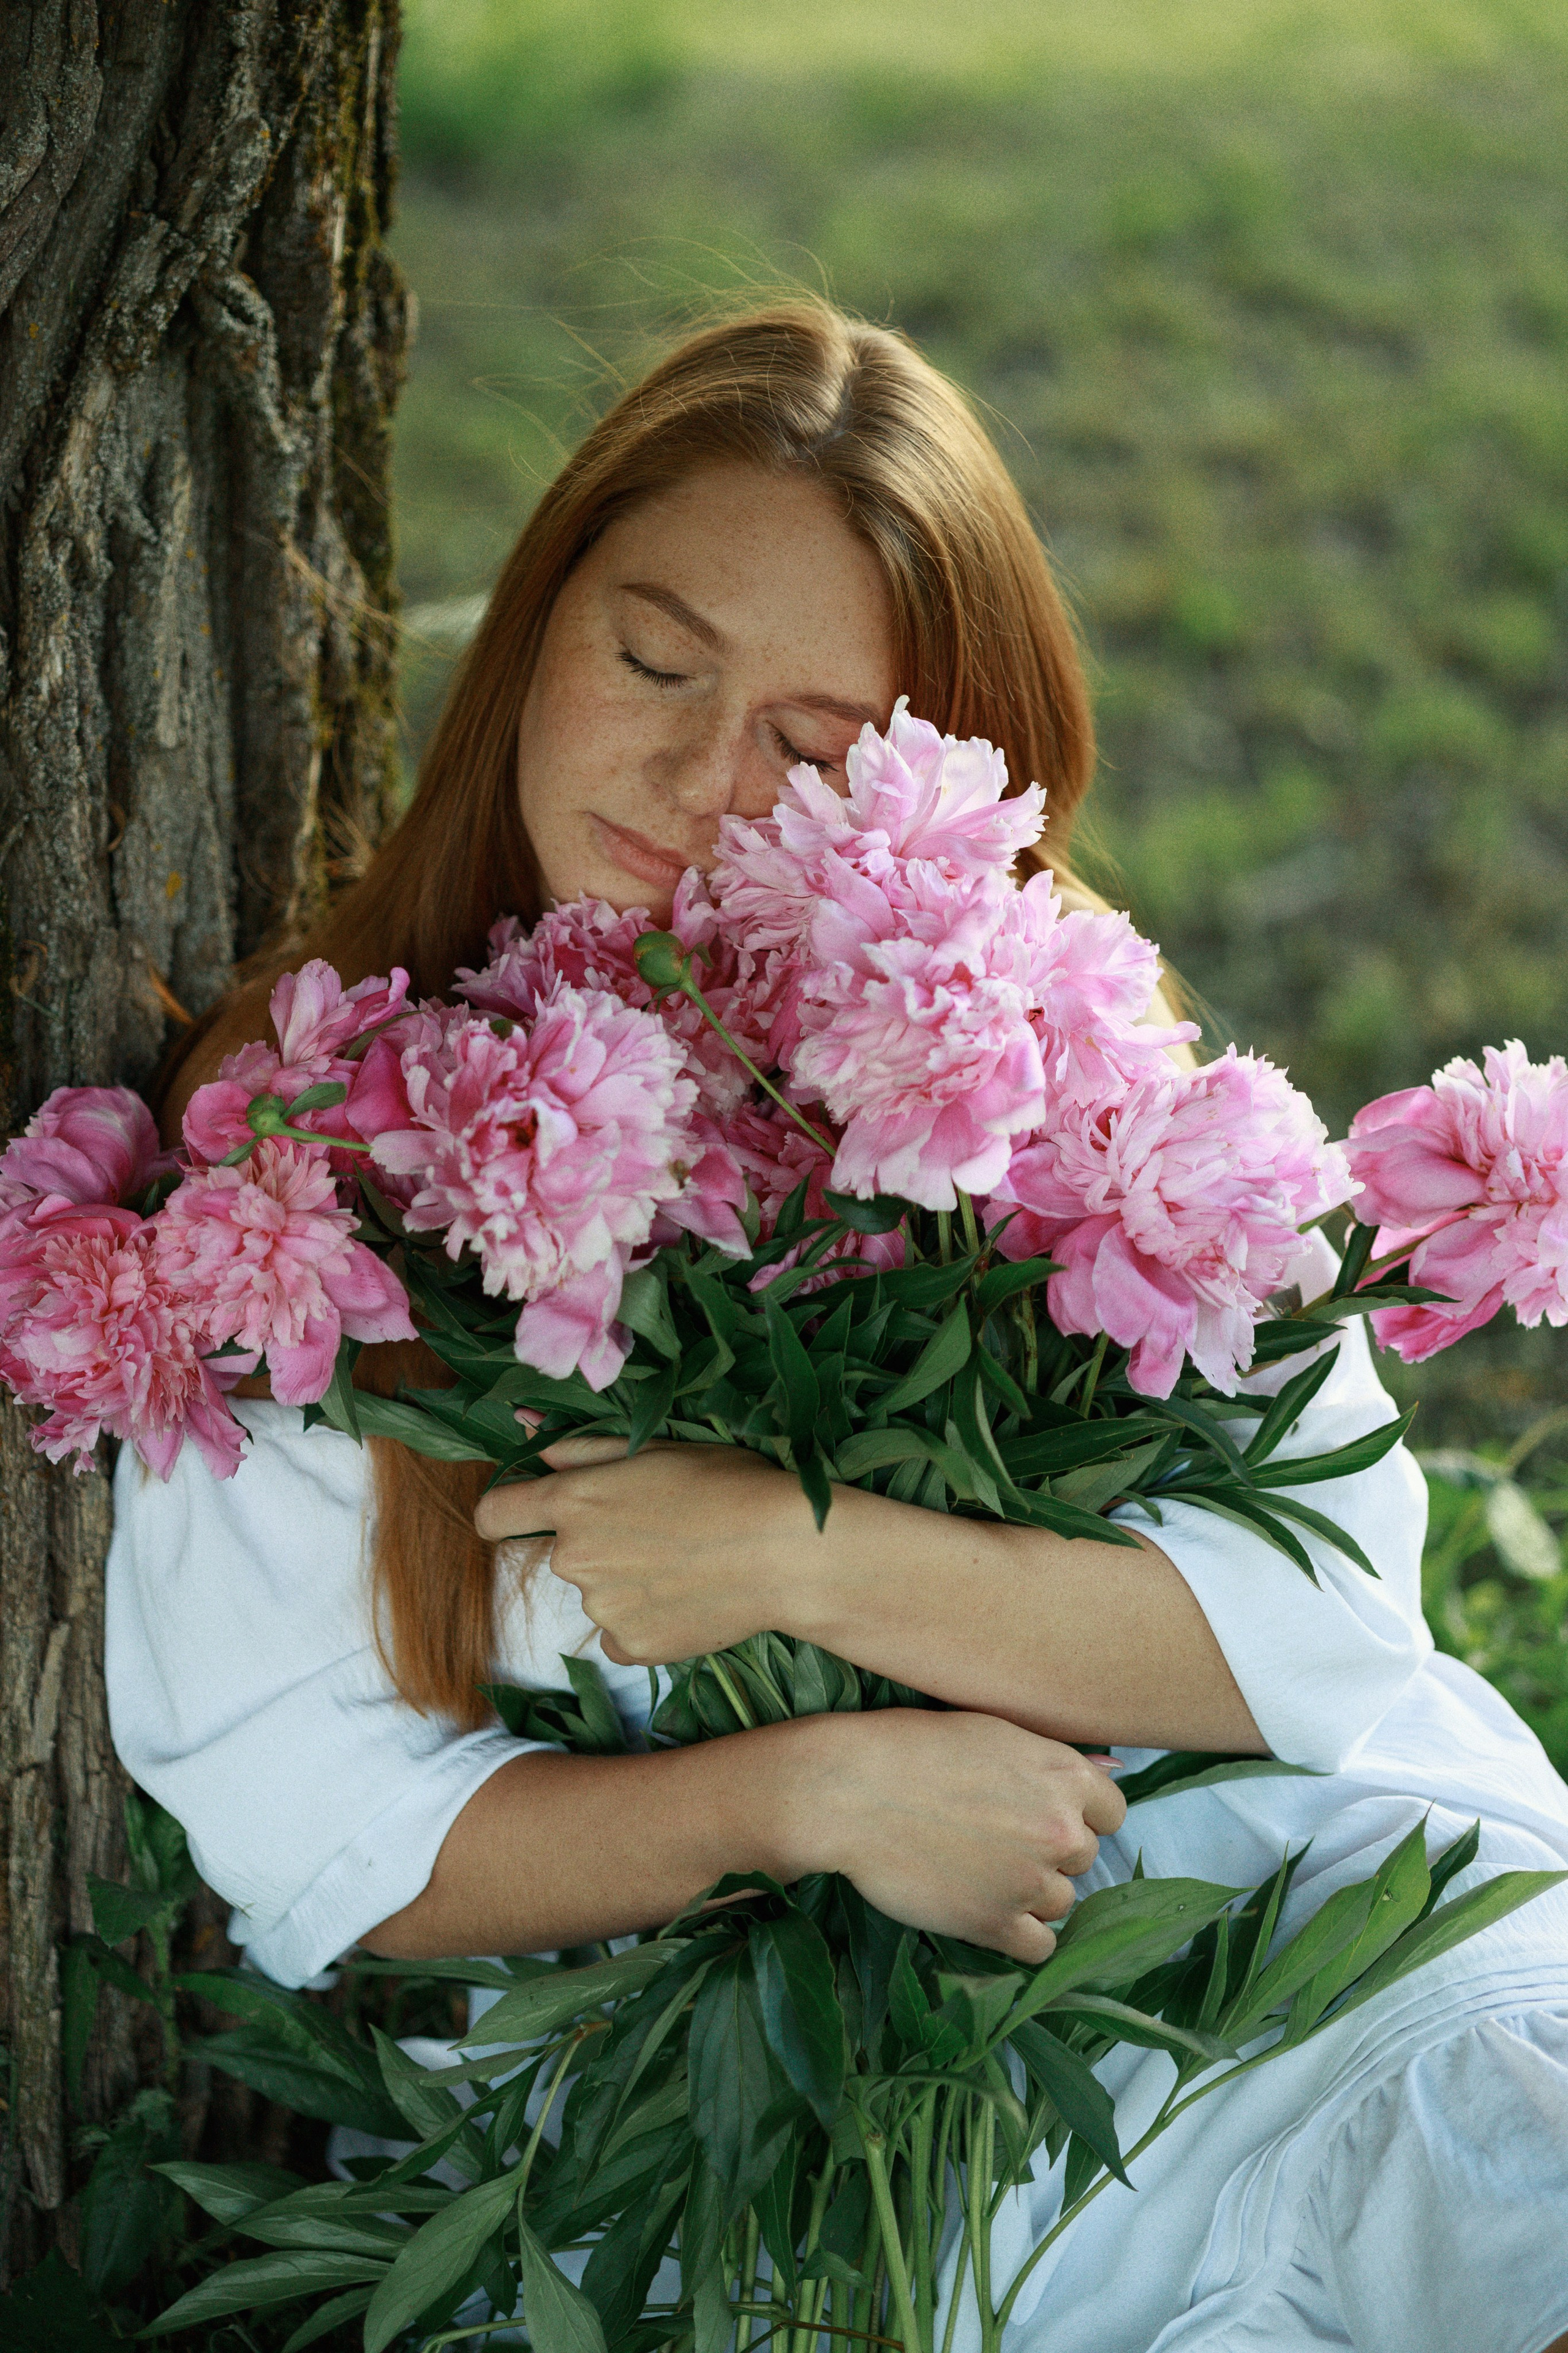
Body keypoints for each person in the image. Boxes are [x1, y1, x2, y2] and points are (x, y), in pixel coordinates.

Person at [106, 300, 1568, 2351]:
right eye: (651, 656)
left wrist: (798, 1554)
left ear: (944, 794)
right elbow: (321, 1825)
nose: (702, 781)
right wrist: (805, 1799)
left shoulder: (1067, 1083)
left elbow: (1322, 1634)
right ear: (534, 626)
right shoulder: (316, 1151)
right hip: (763, 2135)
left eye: (811, 748)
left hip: (1281, 1939)